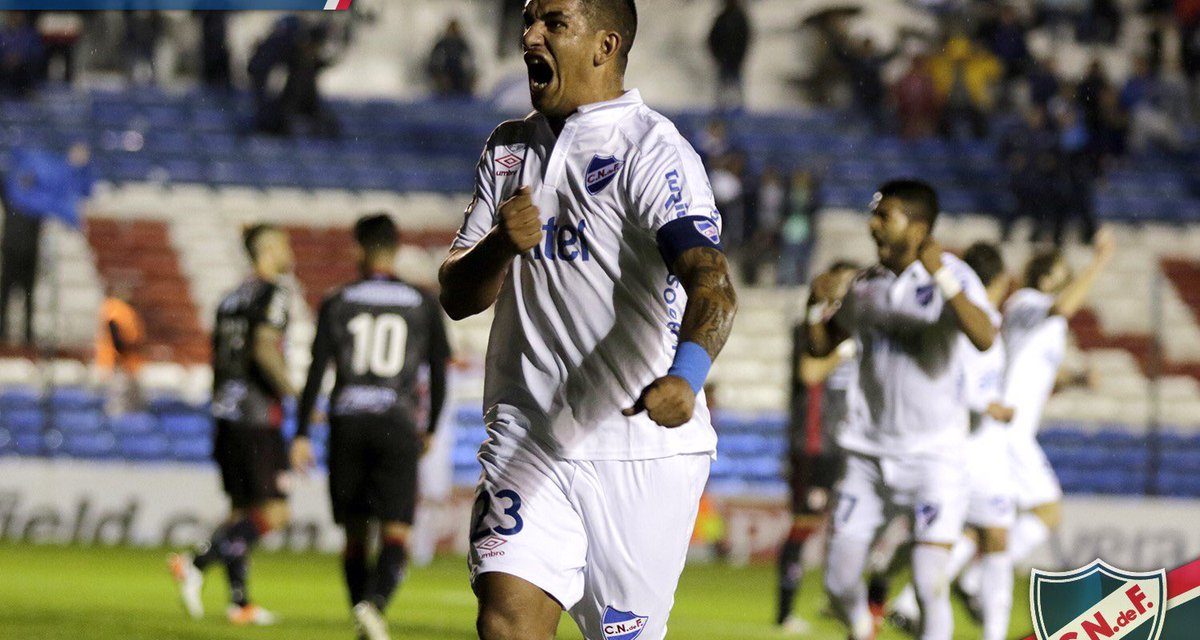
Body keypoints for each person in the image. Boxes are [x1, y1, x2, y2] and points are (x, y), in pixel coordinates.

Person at [438, 1, 739, 638]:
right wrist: (499, 243)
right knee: (505, 624)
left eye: (552, 21)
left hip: (639, 452)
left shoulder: (653, 150)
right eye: (528, 20)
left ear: (605, 46)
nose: (530, 35)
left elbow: (712, 283)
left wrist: (685, 378)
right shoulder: (507, 149)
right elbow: (458, 295)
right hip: (529, 439)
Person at [806, 180, 997, 640]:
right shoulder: (867, 283)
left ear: (918, 227)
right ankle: (859, 627)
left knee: (929, 582)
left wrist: (943, 276)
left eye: (883, 214)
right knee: (837, 581)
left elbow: (985, 336)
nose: (872, 223)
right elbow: (822, 345)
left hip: (934, 457)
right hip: (867, 454)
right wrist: (815, 305)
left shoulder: (953, 275)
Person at [291, 214, 451, 640]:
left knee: (356, 533)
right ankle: (374, 608)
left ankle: (361, 612)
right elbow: (438, 371)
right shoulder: (421, 302)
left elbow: (315, 371)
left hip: (347, 423)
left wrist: (302, 432)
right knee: (397, 527)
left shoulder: (338, 299)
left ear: (359, 249)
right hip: (396, 424)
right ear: (396, 249)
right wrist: (430, 426)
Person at [956, 230, 1116, 608]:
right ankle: (974, 581)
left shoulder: (1041, 321)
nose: (1069, 278)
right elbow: (1062, 307)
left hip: (1010, 430)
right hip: (1008, 432)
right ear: (1046, 279)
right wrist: (1100, 261)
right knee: (1048, 510)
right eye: (1064, 273)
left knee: (985, 524)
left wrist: (1075, 378)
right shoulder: (1028, 302)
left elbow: (1036, 371)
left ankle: (911, 604)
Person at [887, 242, 1017, 640]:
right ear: (997, 280)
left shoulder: (958, 319)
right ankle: (992, 632)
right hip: (974, 447)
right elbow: (970, 387)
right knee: (996, 538)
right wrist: (991, 406)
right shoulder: (981, 324)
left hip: (951, 445)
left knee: (962, 536)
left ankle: (906, 600)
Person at [169, 224, 296, 626]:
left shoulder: (228, 298)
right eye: (284, 243)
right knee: (274, 514)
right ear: (269, 249)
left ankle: (239, 603)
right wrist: (295, 395)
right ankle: (197, 562)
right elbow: (262, 347)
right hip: (257, 417)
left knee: (240, 510)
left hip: (226, 413)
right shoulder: (273, 293)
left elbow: (220, 358)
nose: (289, 250)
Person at [776, 261, 858, 634]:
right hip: (813, 443)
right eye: (842, 284)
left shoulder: (860, 330)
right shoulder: (808, 332)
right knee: (804, 525)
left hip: (849, 443)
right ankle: (785, 611)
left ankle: (837, 600)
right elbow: (809, 374)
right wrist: (843, 352)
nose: (848, 292)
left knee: (845, 526)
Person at [1, 142, 93, 347]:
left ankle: (26, 338)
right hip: (10, 253)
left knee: (27, 297)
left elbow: (64, 196)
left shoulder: (36, 202)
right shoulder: (13, 197)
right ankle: (4, 334)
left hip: (29, 254)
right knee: (6, 295)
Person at [96, 280, 146, 416]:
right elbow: (114, 331)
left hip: (126, 365)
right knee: (119, 404)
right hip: (118, 364)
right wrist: (121, 352)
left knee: (130, 404)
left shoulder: (125, 309)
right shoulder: (115, 307)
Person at [706, 0, 752, 108]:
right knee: (722, 93)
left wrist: (739, 57)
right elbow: (712, 39)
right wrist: (718, 56)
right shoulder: (723, 18)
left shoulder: (739, 18)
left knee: (735, 91)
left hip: (734, 62)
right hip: (724, 62)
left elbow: (745, 39)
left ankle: (737, 112)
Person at [428, 19, 477, 97]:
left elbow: (470, 60)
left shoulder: (461, 43)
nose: (453, 33)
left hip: (459, 74)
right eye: (451, 30)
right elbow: (433, 59)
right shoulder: (442, 43)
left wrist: (471, 76)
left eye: (455, 30)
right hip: (446, 74)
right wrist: (437, 75)